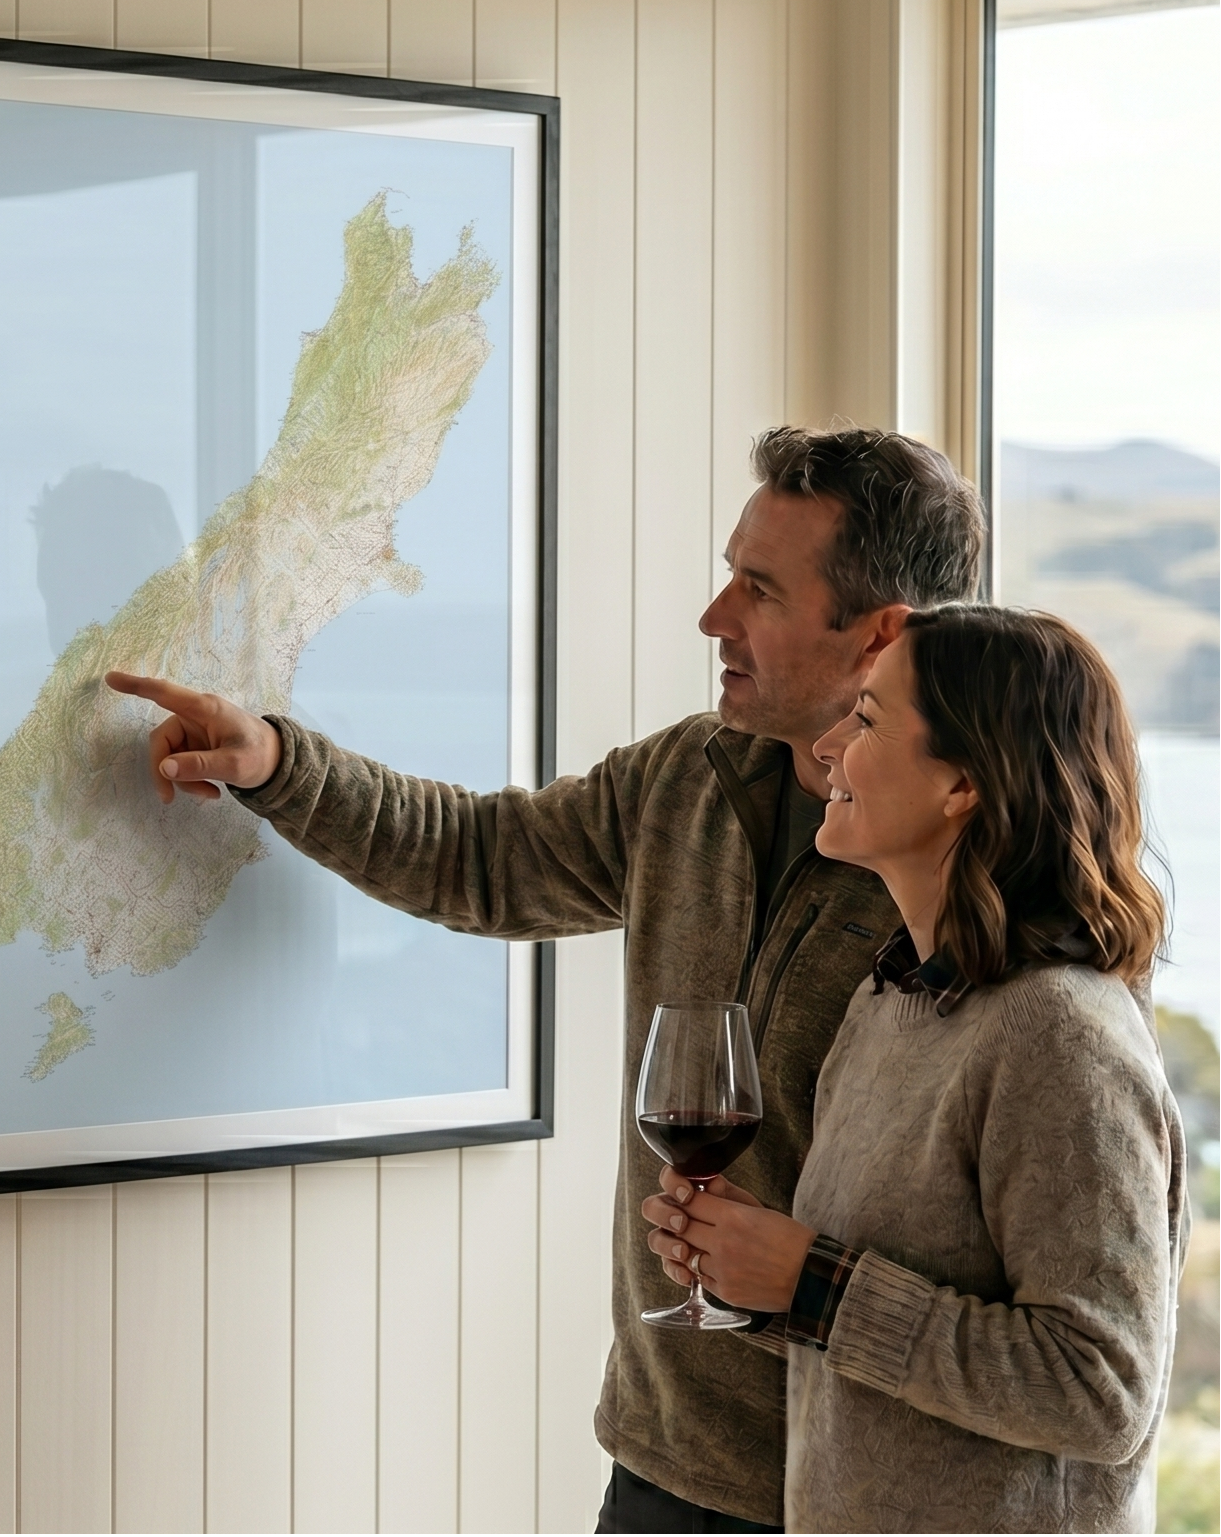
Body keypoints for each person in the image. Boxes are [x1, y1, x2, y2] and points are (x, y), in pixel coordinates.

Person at [105, 426, 985, 1533]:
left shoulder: (985, 869)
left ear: (879, 636)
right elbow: (485, 858)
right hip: (668, 1458)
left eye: (757, 590)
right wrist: (280, 766)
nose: (714, 617)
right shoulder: (689, 778)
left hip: (875, 1491)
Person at [641, 605, 1187, 1533]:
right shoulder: (889, 997)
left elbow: (1100, 1389)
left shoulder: (1060, 1034)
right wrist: (753, 1272)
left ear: (962, 784)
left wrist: (811, 1282)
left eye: (865, 719)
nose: (826, 746)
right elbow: (876, 1322)